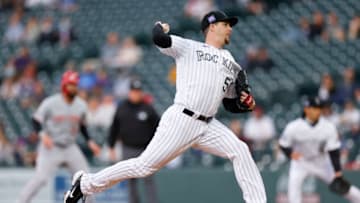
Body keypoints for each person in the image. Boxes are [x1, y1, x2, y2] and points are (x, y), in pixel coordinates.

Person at [64, 10, 266, 203]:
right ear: (212, 27)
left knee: (240, 150)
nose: (230, 28)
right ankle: (85, 184)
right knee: (143, 167)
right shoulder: (190, 47)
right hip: (182, 119)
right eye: (225, 24)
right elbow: (160, 39)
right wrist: (159, 27)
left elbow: (232, 104)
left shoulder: (231, 62)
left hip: (208, 125)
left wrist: (245, 103)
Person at [17, 70, 101, 203]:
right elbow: (36, 120)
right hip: (51, 146)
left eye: (75, 85)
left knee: (86, 180)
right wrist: (42, 135)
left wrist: (90, 141)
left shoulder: (81, 105)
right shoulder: (50, 102)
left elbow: (83, 126)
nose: (73, 87)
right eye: (70, 84)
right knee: (41, 178)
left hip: (70, 147)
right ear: (64, 86)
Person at [279, 96, 360, 203]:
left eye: (318, 108)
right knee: (293, 192)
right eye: (314, 108)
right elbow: (283, 144)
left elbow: (333, 151)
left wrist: (338, 172)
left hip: (321, 162)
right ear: (306, 109)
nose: (317, 111)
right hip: (301, 162)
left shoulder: (328, 127)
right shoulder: (293, 127)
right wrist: (290, 154)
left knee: (346, 189)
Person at [108, 79, 159, 203]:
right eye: (134, 91)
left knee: (149, 181)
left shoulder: (148, 108)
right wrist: (111, 146)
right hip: (128, 148)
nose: (136, 94)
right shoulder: (122, 108)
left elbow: (159, 127)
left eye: (138, 91)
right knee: (131, 181)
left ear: (141, 92)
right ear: (129, 92)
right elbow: (114, 127)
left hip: (146, 150)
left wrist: (156, 146)